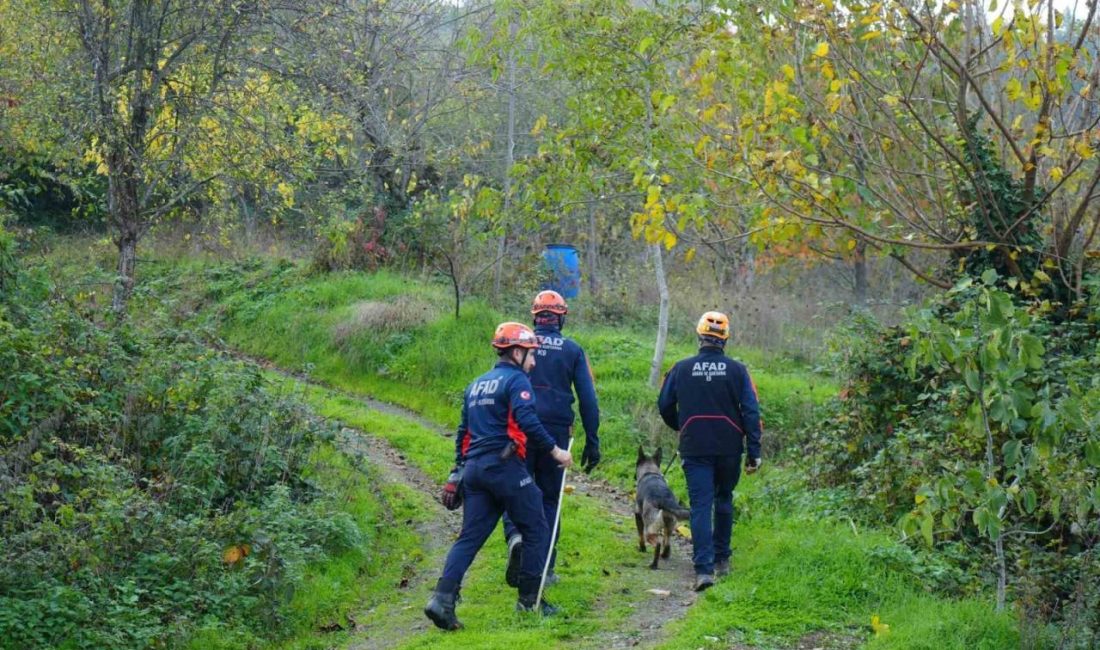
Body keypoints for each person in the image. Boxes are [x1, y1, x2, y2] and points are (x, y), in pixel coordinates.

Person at [424, 322, 574, 631]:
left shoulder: (476, 384)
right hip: (505, 467)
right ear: (517, 352)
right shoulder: (517, 381)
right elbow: (527, 420)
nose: (534, 362)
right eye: (531, 355)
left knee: (469, 537)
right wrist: (555, 451)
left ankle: (441, 601)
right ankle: (529, 603)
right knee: (536, 527)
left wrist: (457, 472)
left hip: (475, 471)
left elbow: (463, 435)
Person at [657, 311, 762, 592]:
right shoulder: (739, 371)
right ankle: (722, 559)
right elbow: (751, 412)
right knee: (724, 498)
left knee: (701, 504)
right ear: (725, 339)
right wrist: (754, 451)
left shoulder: (680, 368)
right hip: (729, 447)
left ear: (699, 335)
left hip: (694, 445)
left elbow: (664, 404)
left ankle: (703, 570)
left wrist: (681, 425)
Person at [502, 290, 600, 588]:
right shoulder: (572, 350)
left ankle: (516, 537)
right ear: (561, 318)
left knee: (513, 489)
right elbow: (588, 399)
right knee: (549, 499)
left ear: (535, 316)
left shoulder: (519, 346)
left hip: (519, 426)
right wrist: (592, 440)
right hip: (556, 432)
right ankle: (545, 565)